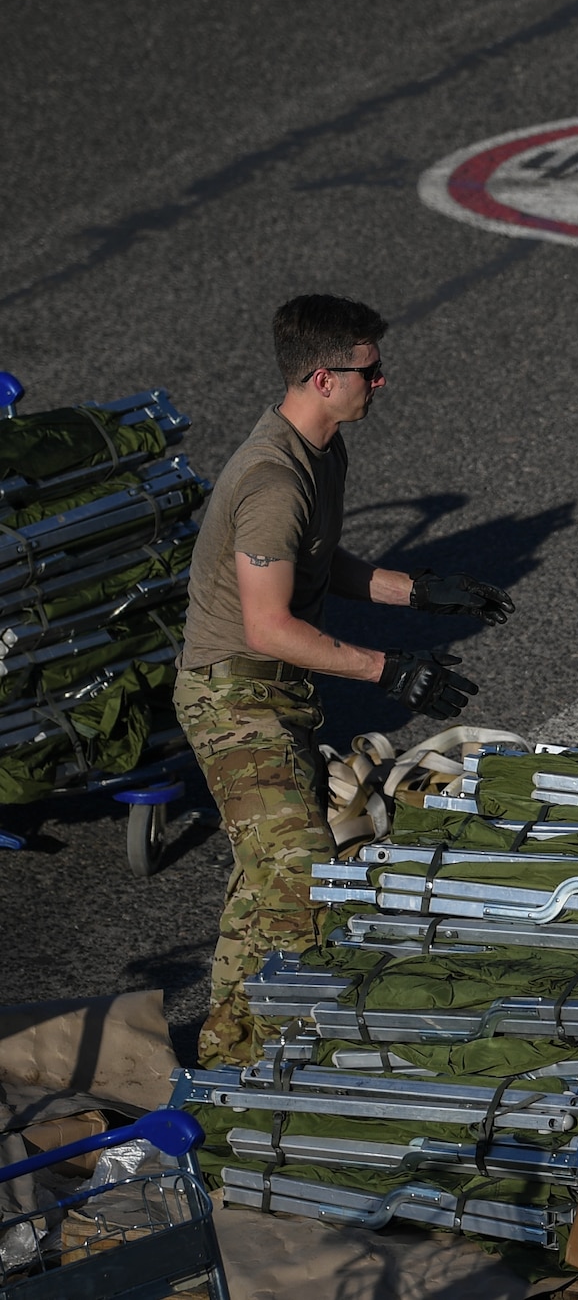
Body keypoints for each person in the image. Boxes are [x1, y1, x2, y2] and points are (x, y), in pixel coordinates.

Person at [174, 294, 515, 1067]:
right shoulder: (272, 479)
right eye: (371, 369)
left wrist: (419, 589)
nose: (382, 381)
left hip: (272, 693)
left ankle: (226, 1062)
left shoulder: (321, 452)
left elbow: (322, 563)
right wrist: (389, 669)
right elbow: (268, 625)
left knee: (264, 886)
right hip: (234, 698)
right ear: (325, 378)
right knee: (305, 883)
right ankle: (285, 1064)